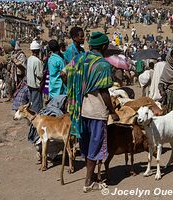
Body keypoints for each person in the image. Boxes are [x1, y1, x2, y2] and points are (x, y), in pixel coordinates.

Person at [66, 32, 119, 192]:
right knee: (95, 146)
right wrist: (112, 111)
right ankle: (88, 182)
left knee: (87, 144)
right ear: (103, 47)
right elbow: (104, 91)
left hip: (81, 109)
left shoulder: (79, 59)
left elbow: (64, 73)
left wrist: (76, 91)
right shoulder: (102, 64)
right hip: (96, 110)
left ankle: (90, 178)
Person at [26, 40, 43, 113]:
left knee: (31, 102)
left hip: (30, 84)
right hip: (36, 86)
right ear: (38, 50)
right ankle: (34, 121)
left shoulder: (29, 59)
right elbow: (39, 75)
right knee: (36, 104)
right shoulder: (37, 61)